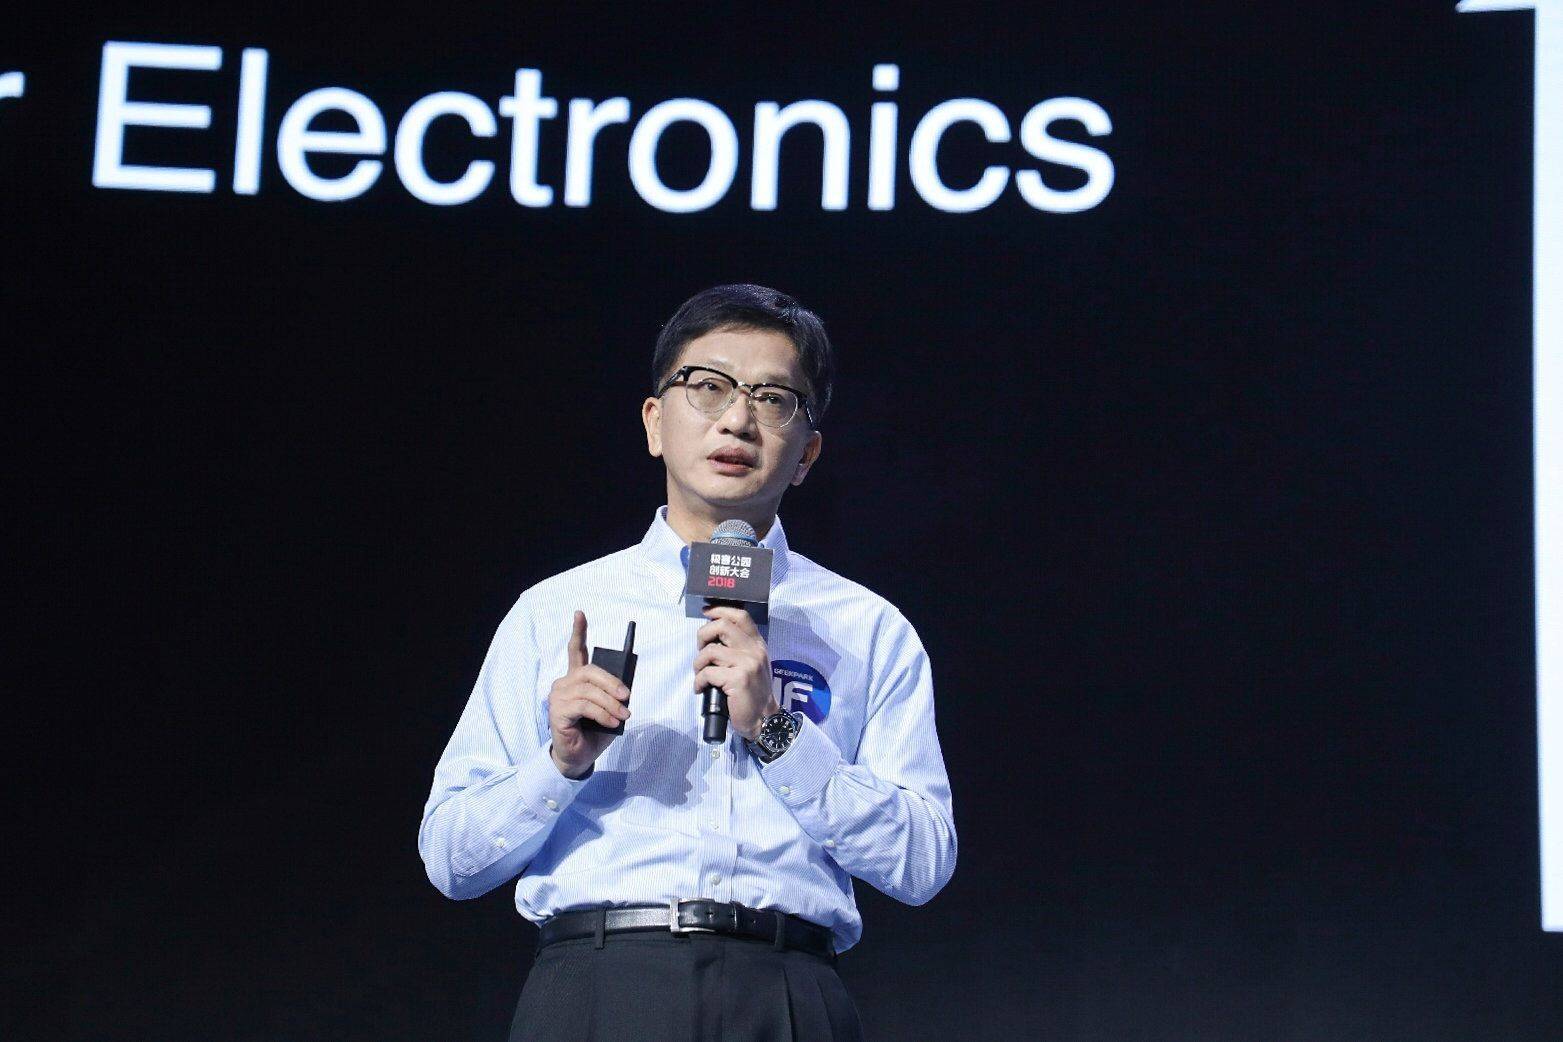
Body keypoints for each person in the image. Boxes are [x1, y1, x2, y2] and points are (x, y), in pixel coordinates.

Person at [418, 283, 957, 1041]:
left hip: (786, 992)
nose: (736, 419)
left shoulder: (866, 628)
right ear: (654, 422)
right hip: (597, 988)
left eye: (773, 399)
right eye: (707, 387)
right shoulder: (556, 610)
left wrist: (775, 732)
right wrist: (559, 765)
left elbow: (922, 862)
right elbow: (451, 859)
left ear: (806, 453)